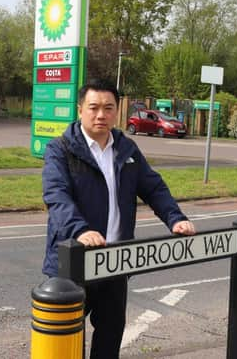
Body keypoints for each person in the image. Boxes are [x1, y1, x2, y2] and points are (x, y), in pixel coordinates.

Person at [42, 80, 196, 359]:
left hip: (114, 260)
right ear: (80, 110)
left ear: (116, 112)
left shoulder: (127, 149)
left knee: (110, 335)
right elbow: (56, 196)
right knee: (66, 342)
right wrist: (81, 231)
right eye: (94, 108)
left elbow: (154, 187)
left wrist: (175, 218)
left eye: (108, 108)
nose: (101, 114)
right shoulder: (60, 149)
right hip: (74, 261)